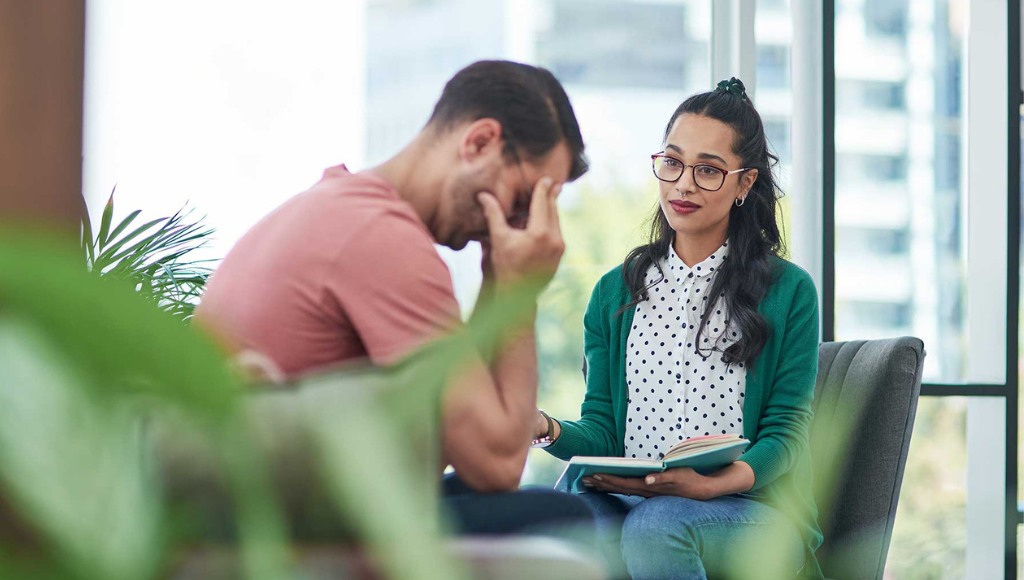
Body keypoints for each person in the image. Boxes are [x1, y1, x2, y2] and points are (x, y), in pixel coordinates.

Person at [196, 60, 594, 537]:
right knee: (559, 519)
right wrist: (521, 290)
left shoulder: (343, 206)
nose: (523, 224)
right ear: (479, 142)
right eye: (523, 199)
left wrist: (497, 276)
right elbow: (496, 465)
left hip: (271, 504)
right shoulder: (381, 237)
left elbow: (475, 435)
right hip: (272, 524)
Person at [532, 78, 824, 580]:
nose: (683, 184)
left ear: (744, 183)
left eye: (708, 170)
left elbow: (787, 434)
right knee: (567, 517)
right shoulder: (614, 292)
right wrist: (545, 428)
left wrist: (709, 486)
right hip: (634, 499)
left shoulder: (790, 291)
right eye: (672, 162)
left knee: (656, 525)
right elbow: (603, 429)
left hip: (750, 513)